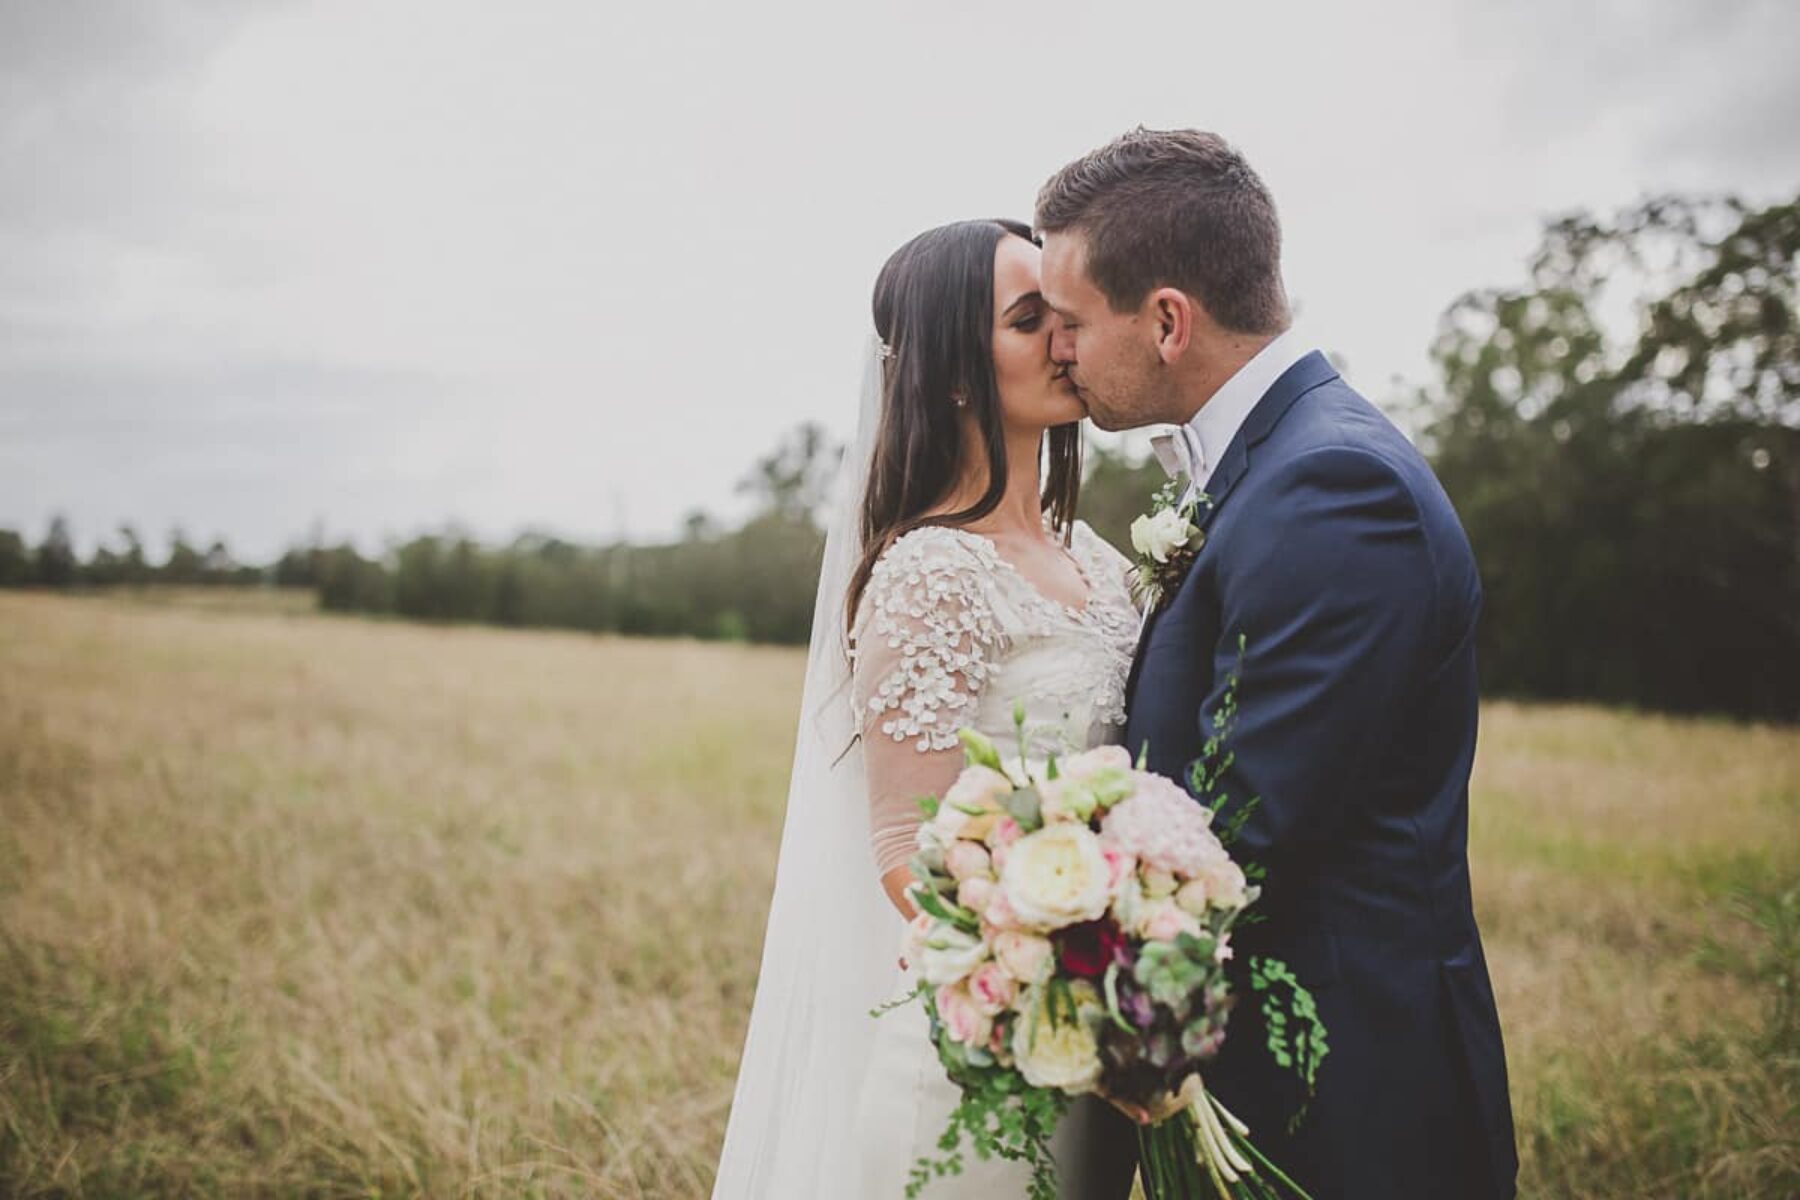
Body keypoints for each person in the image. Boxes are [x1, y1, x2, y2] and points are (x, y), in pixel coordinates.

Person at [1036, 127, 1519, 1199]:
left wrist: (1034, 945)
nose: (1056, 349)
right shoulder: (1280, 464)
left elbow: (1245, 827)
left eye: (1069, 322)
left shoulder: (1336, 488)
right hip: (1270, 1070)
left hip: (1344, 1098)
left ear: (1167, 320)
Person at [711, 218, 1139, 1198]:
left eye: (1066, 316)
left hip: (1103, 1038)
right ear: (953, 371)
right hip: (981, 1045)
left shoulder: (1105, 565)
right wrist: (1078, 942)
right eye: (1030, 320)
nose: (1064, 341)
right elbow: (908, 849)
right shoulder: (929, 570)